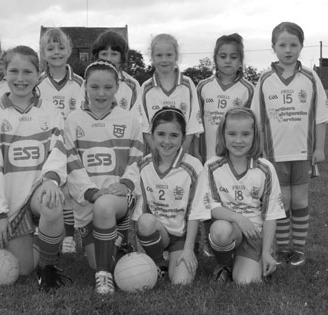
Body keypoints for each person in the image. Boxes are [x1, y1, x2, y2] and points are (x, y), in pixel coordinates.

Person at [0, 46, 70, 292]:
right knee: (23, 268)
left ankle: (48, 267)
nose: (21, 78)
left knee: (52, 203)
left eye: (28, 71)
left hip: (39, 189)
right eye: (14, 71)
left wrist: (51, 180)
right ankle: (39, 243)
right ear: (3, 73)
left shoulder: (50, 111)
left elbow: (59, 150)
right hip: (12, 202)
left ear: (39, 73)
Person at [251, 22, 328, 266]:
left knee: (299, 201)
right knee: (281, 202)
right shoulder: (265, 79)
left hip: (302, 153)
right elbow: (256, 121)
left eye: (293, 44)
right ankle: (281, 246)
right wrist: (259, 150)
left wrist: (319, 148)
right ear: (273, 48)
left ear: (301, 46)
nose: (288, 50)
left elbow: (321, 116)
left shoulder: (310, 77)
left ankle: (297, 249)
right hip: (273, 155)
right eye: (282, 45)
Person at [65, 60, 143, 294]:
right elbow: (70, 162)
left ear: (117, 87)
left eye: (108, 87)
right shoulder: (73, 120)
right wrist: (89, 191)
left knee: (105, 208)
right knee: (94, 258)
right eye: (95, 86)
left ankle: (104, 275)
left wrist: (125, 184)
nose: (101, 93)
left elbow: (137, 158)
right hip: (86, 199)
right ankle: (119, 240)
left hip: (116, 196)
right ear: (85, 87)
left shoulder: (129, 119)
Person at [193, 107, 286, 284]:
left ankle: (254, 258)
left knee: (245, 281)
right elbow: (211, 207)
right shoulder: (212, 166)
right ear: (223, 135)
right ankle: (224, 263)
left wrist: (266, 251)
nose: (238, 140)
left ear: (255, 136)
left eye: (245, 134)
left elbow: (271, 215)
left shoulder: (265, 168)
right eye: (232, 134)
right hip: (228, 229)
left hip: (254, 234)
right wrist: (239, 219)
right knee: (220, 230)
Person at [132, 107, 209, 285]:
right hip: (155, 230)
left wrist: (188, 249)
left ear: (183, 137)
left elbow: (196, 213)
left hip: (181, 237)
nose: (167, 141)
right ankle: (159, 262)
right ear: (151, 135)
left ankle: (175, 257)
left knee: (181, 282)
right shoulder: (144, 165)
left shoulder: (194, 166)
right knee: (145, 221)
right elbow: (139, 215)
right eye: (161, 134)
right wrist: (139, 254)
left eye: (174, 135)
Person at [37, 28, 84, 254]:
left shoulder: (80, 83)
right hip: (46, 147)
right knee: (50, 190)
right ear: (43, 53)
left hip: (73, 146)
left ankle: (69, 237)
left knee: (70, 192)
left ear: (69, 51)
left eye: (61, 47)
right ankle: (45, 232)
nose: (56, 52)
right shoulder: (36, 84)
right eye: (50, 48)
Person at [139, 33, 203, 154]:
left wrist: (180, 154)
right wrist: (159, 154)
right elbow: (144, 128)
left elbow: (193, 125)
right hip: (155, 156)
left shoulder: (188, 85)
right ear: (152, 57)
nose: (164, 60)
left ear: (176, 56)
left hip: (183, 156)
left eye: (169, 55)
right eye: (159, 55)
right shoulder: (146, 88)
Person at [197, 33, 254, 163]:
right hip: (207, 157)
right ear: (215, 59)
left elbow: (253, 127)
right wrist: (196, 152)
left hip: (237, 159)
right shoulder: (203, 87)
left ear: (240, 61)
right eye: (223, 56)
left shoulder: (248, 89)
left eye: (233, 57)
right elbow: (196, 125)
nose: (228, 61)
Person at [81, 30, 142, 112]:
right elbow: (80, 115)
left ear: (122, 57)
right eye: (104, 54)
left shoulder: (132, 85)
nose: (109, 59)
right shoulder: (88, 84)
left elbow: (137, 120)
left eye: (114, 54)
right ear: (97, 56)